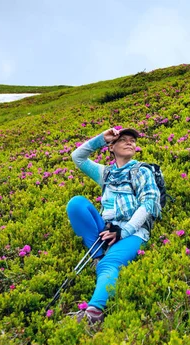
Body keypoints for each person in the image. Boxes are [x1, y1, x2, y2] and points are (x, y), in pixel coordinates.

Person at [67, 127, 161, 324]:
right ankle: (97, 255)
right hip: (107, 228)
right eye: (123, 139)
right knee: (76, 203)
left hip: (133, 231)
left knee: (110, 265)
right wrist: (102, 138)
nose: (130, 142)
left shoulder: (142, 170)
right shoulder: (106, 173)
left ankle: (94, 312)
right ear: (112, 147)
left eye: (133, 140)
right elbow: (77, 157)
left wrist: (123, 231)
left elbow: (149, 204)